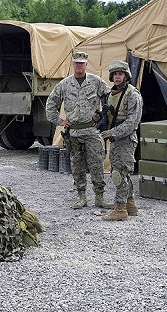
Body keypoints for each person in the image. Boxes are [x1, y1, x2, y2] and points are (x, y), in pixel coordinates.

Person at [46, 51, 112, 209]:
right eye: (76, 63)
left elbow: (109, 96)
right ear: (73, 64)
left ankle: (99, 197)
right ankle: (81, 197)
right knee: (77, 166)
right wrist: (60, 121)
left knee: (97, 164)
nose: (79, 66)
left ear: (86, 64)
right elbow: (51, 104)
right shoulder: (64, 84)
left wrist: (103, 114)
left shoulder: (95, 82)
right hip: (73, 132)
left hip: (91, 131)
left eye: (81, 63)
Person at [100, 61, 143, 221]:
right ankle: (130, 204)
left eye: (121, 74)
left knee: (119, 173)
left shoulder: (132, 94)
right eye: (115, 74)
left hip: (125, 139)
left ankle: (120, 209)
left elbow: (132, 122)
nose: (117, 77)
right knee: (121, 172)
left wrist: (112, 132)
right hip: (116, 138)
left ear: (126, 75)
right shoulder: (112, 95)